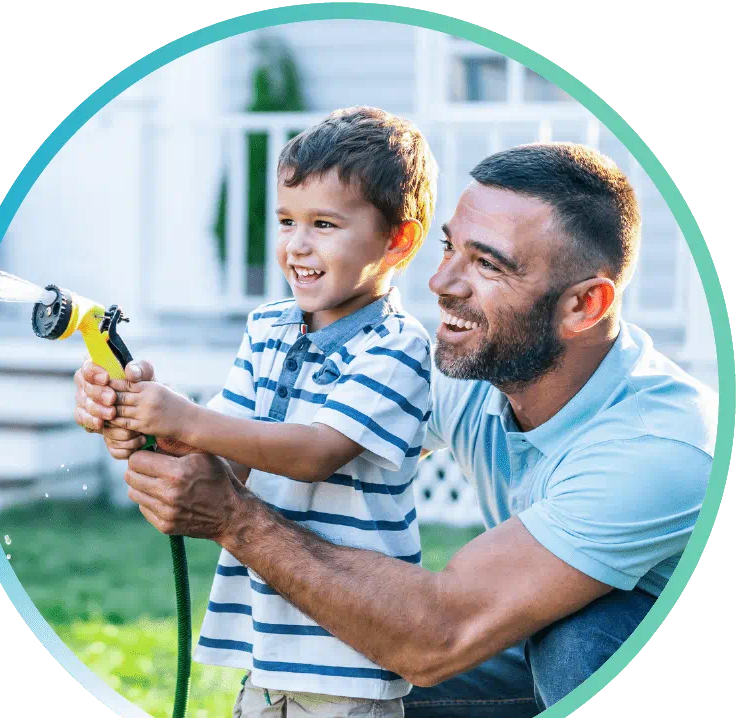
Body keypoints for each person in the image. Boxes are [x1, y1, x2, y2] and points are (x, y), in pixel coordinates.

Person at [75, 142, 717, 716]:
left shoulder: (660, 447)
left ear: (584, 304)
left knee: (580, 643)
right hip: (529, 646)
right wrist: (145, 422)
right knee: (357, 665)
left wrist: (232, 518)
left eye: (488, 266)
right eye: (449, 249)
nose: (440, 284)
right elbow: (262, 443)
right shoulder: (462, 367)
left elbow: (439, 636)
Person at [79, 107, 439, 717]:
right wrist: (135, 418)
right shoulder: (267, 328)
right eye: (286, 221)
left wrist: (183, 418)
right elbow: (220, 456)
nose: (297, 244)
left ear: (396, 240)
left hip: (350, 658)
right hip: (267, 648)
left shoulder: (398, 346)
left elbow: (315, 452)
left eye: (324, 224)